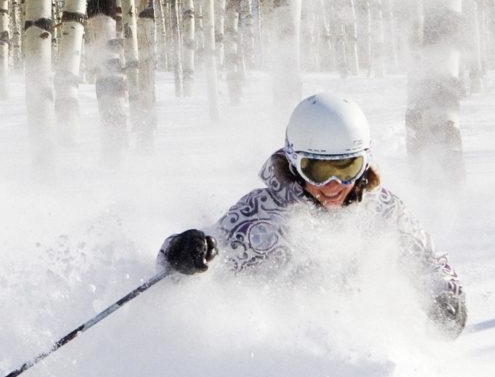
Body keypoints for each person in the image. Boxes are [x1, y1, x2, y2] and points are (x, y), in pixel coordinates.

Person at [157, 92, 467, 335]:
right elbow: (193, 273)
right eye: (317, 170)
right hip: (280, 361)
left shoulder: (384, 212)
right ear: (293, 162)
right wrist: (179, 252)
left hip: (366, 353)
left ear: (364, 162)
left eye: (346, 168)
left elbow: (430, 264)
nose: (333, 186)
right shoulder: (259, 218)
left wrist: (445, 299)